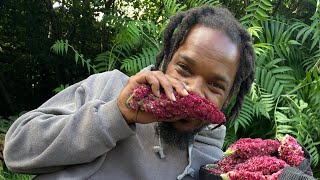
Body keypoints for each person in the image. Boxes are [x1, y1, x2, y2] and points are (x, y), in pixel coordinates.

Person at [4, 6, 255, 180]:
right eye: (184, 68)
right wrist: (115, 115)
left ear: (229, 97)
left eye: (215, 85)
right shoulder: (108, 87)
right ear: (166, 60)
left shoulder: (215, 164)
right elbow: (16, 152)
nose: (193, 90)